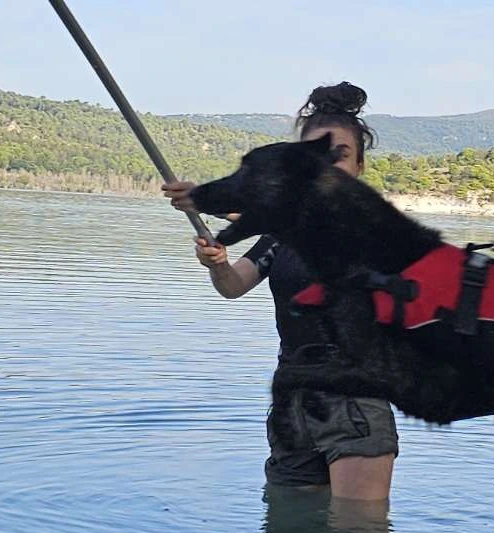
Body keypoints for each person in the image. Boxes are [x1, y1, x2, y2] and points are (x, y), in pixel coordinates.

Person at [162, 82, 398, 501]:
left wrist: (210, 200)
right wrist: (217, 265)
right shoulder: (279, 235)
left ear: (360, 168)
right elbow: (234, 286)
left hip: (356, 401)